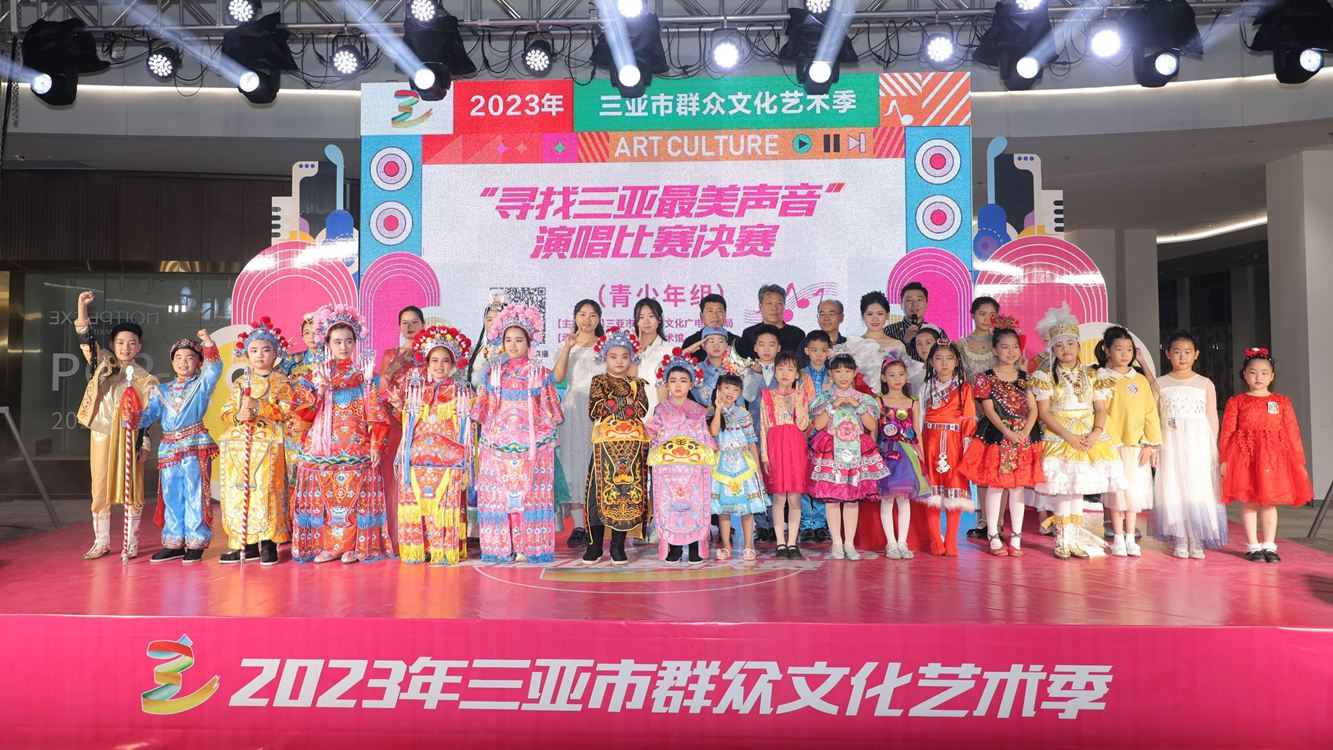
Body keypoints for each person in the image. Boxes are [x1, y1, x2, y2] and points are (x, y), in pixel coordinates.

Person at [291, 304, 394, 564]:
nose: (344, 347)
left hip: (356, 446)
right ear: (327, 343)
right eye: (337, 342)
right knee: (325, 500)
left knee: (352, 500)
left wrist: (376, 445)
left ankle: (352, 546)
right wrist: (320, 391)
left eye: (349, 341)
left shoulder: (363, 375)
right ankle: (329, 546)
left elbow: (376, 413)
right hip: (322, 448)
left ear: (355, 343)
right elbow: (302, 414)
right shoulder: (315, 375)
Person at [472, 304, 564, 564]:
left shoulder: (539, 373)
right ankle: (504, 547)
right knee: (502, 499)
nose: (513, 345)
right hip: (497, 446)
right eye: (508, 340)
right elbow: (483, 412)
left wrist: (543, 440)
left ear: (529, 342)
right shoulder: (493, 373)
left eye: (519, 340)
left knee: (527, 498)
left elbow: (551, 413)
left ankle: (527, 546)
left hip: (532, 448)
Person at [1032, 307, 1124, 560]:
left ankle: (1074, 540)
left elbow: (1101, 408)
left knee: (1078, 489)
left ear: (1079, 345)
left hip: (1088, 436)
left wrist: (1095, 433)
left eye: (1071, 343)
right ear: (1052, 349)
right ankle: (1062, 540)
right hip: (1060, 437)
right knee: (1064, 489)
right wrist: (1068, 436)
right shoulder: (1044, 376)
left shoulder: (1094, 375)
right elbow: (1044, 412)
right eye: (1060, 345)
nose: (1066, 349)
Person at [73, 290, 159, 560]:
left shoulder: (147, 379)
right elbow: (86, 338)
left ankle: (131, 542)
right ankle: (101, 541)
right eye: (120, 342)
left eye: (132, 343)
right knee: (99, 486)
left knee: (133, 488)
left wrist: (144, 444)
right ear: (112, 344)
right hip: (102, 433)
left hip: (130, 438)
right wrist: (82, 307)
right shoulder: (103, 364)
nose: (125, 348)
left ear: (139, 346)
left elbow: (149, 416)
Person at [386, 325, 474, 565]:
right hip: (416, 459)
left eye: (445, 360)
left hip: (448, 461)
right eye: (434, 360)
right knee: (418, 506)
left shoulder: (461, 391)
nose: (439, 365)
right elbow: (408, 424)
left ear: (453, 364)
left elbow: (466, 429)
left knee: (442, 506)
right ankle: (419, 548)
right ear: (426, 362)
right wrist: (400, 407)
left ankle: (442, 548)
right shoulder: (416, 390)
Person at [1220, 347, 1313, 564]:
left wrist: (1298, 460)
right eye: (1253, 372)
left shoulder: (1282, 402)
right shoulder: (1237, 402)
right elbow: (1227, 432)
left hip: (1273, 459)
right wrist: (1224, 459)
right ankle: (1253, 545)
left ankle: (1269, 545)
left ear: (1272, 376)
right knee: (1249, 501)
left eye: (1264, 373)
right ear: (1244, 375)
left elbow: (1292, 432)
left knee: (1270, 502)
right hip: (1246, 457)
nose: (1258, 377)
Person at [219, 317, 300, 565]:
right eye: (254, 350)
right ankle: (246, 543)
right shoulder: (241, 382)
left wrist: (260, 406)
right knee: (242, 492)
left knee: (268, 492)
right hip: (242, 445)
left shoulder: (282, 382)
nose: (260, 355)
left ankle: (269, 542)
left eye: (266, 350)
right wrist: (237, 415)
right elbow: (226, 410)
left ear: (275, 354)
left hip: (270, 445)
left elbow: (288, 411)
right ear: (247, 354)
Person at [958, 324, 1043, 557]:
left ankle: (1016, 536)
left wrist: (1025, 431)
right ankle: (993, 534)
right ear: (995, 350)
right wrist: (1007, 432)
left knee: (1017, 488)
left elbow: (1033, 409)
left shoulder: (1025, 378)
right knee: (995, 486)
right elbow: (989, 410)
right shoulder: (985, 378)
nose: (1011, 351)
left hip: (1023, 438)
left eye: (1015, 347)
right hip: (997, 437)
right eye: (1005, 347)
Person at [142, 331, 223, 564]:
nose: (183, 361)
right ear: (172, 362)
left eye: (189, 357)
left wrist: (208, 344)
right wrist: (132, 417)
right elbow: (149, 415)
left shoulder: (202, 384)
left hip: (195, 446)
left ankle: (196, 542)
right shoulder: (162, 390)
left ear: (198, 362)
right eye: (178, 357)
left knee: (195, 493)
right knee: (172, 495)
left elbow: (215, 368)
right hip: (169, 449)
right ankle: (174, 542)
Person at [1153, 331, 1227, 559]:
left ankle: (1196, 538)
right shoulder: (1159, 383)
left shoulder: (1204, 383)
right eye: (1177, 352)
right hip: (1171, 445)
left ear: (1196, 354)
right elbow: (1153, 418)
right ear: (1168, 354)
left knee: (1197, 487)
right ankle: (1180, 538)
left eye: (1187, 352)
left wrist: (1213, 447)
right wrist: (1154, 446)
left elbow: (1212, 417)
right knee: (1174, 487)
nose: (1182, 357)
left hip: (1198, 444)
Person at [581, 328, 651, 565]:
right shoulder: (598, 381)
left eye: (624, 356)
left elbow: (640, 410)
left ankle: (618, 546)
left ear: (631, 358)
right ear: (605, 357)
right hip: (604, 448)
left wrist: (613, 403)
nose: (619, 361)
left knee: (625, 494)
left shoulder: (637, 384)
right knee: (596, 494)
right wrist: (624, 402)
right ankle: (595, 545)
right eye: (613, 356)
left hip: (631, 449)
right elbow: (595, 409)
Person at [808, 353, 889, 560]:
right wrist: (832, 406)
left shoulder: (863, 399)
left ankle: (849, 544)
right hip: (832, 451)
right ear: (830, 374)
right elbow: (818, 425)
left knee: (853, 498)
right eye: (838, 371)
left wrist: (857, 406)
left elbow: (871, 425)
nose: (843, 375)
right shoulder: (825, 398)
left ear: (854, 373)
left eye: (847, 371)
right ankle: (836, 543)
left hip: (856, 450)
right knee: (832, 499)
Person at [1097, 326, 1162, 558]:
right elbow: (1100, 413)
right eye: (1118, 349)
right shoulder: (1101, 379)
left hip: (1137, 447)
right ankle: (1117, 538)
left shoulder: (1141, 380)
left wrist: (1150, 444)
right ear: (1107, 350)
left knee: (1133, 495)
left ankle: (1130, 538)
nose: (1124, 354)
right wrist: (1111, 443)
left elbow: (1150, 413)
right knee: (1117, 495)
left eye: (1128, 349)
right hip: (1114, 447)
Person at [647, 352, 715, 564]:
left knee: (695, 504)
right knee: (670, 506)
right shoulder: (660, 409)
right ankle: (674, 547)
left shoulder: (699, 411)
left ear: (691, 384)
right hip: (668, 470)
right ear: (666, 384)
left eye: (683, 380)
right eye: (673, 380)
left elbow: (706, 437)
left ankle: (695, 545)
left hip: (694, 470)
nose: (678, 385)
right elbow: (651, 434)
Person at [917, 341, 977, 557]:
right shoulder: (925, 387)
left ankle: (951, 540)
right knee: (930, 492)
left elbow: (969, 418)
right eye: (939, 358)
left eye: (949, 358)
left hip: (954, 443)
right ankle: (935, 539)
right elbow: (920, 417)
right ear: (931, 362)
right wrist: (919, 447)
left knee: (955, 489)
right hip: (930, 441)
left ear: (957, 361)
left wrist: (966, 447)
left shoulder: (964, 388)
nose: (944, 363)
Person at [376, 305, 428, 550]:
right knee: (393, 477)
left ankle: (420, 536)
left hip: (421, 422)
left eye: (414, 322)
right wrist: (392, 369)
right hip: (395, 422)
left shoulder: (431, 355)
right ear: (399, 327)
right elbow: (380, 390)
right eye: (404, 322)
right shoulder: (391, 354)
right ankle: (394, 538)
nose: (409, 327)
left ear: (423, 324)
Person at [553, 299, 605, 547]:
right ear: (575, 317)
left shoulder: (605, 346)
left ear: (599, 319)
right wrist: (567, 347)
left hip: (599, 410)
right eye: (582, 314)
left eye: (592, 315)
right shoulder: (568, 346)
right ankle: (578, 527)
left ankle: (597, 523)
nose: (587, 319)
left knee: (595, 464)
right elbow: (558, 377)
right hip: (572, 410)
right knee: (572, 465)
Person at [710, 373, 769, 562]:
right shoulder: (712, 413)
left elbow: (752, 442)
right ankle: (726, 545)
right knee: (724, 508)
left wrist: (757, 468)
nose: (730, 392)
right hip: (721, 465)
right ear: (719, 389)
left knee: (747, 507)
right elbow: (713, 432)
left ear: (740, 393)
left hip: (743, 464)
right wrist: (718, 410)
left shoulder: (744, 414)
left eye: (735, 389)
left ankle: (748, 545)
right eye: (726, 388)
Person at [876, 351, 930, 560]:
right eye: (892, 375)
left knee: (904, 499)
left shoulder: (912, 402)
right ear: (883, 378)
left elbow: (917, 431)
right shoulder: (879, 401)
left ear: (907, 376)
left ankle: (902, 542)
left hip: (907, 454)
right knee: (887, 499)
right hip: (886, 454)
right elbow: (874, 432)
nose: (897, 379)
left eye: (901, 374)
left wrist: (921, 456)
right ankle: (890, 543)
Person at [760, 352, 811, 559]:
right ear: (774, 371)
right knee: (779, 496)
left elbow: (803, 424)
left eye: (790, 369)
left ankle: (792, 543)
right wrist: (765, 456)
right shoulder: (767, 395)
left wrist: (798, 401)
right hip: (775, 448)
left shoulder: (801, 395)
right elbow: (763, 427)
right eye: (780, 368)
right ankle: (780, 542)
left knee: (795, 496)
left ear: (797, 374)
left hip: (795, 447)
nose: (784, 373)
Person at [798, 331, 834, 544]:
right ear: (806, 351)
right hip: (803, 431)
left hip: (827, 432)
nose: (819, 354)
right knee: (804, 476)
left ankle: (821, 522)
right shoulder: (799, 375)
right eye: (814, 350)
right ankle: (806, 523)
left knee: (823, 474)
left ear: (829, 352)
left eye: (823, 350)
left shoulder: (834, 375)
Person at [847, 291, 907, 386]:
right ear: (863, 316)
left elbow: (905, 380)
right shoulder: (853, 344)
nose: (875, 319)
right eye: (870, 314)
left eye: (880, 314)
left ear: (887, 315)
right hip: (859, 394)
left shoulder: (897, 346)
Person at [737, 284, 806, 358]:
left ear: (784, 306)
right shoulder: (749, 334)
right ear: (760, 306)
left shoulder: (797, 334)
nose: (774, 308)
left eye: (779, 303)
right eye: (769, 303)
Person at [631, 297, 673, 415]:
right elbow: (627, 382)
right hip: (632, 417)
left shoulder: (670, 350)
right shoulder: (627, 350)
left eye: (651, 316)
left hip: (659, 416)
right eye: (641, 317)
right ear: (636, 322)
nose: (646, 321)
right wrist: (636, 354)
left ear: (659, 319)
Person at [691, 326, 746, 408]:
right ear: (703, 345)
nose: (716, 345)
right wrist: (687, 351)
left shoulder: (734, 370)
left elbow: (740, 405)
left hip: (730, 415)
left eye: (720, 341)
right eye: (711, 341)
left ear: (726, 345)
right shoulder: (694, 369)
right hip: (700, 415)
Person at [682, 293, 741, 358]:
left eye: (719, 311)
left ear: (725, 315)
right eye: (710, 311)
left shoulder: (736, 342)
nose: (715, 315)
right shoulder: (691, 342)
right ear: (701, 316)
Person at [958, 297, 1001, 382]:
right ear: (972, 315)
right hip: (968, 390)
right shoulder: (961, 346)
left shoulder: (1001, 343)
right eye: (982, 314)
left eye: (992, 315)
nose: (987, 319)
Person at [885, 282, 931, 347]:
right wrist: (904, 340)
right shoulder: (888, 331)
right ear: (901, 305)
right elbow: (882, 353)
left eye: (919, 300)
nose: (914, 304)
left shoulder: (937, 332)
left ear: (926, 304)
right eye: (909, 300)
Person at [906, 324, 944, 398]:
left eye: (928, 343)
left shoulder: (948, 370)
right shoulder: (911, 371)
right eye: (919, 344)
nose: (923, 347)